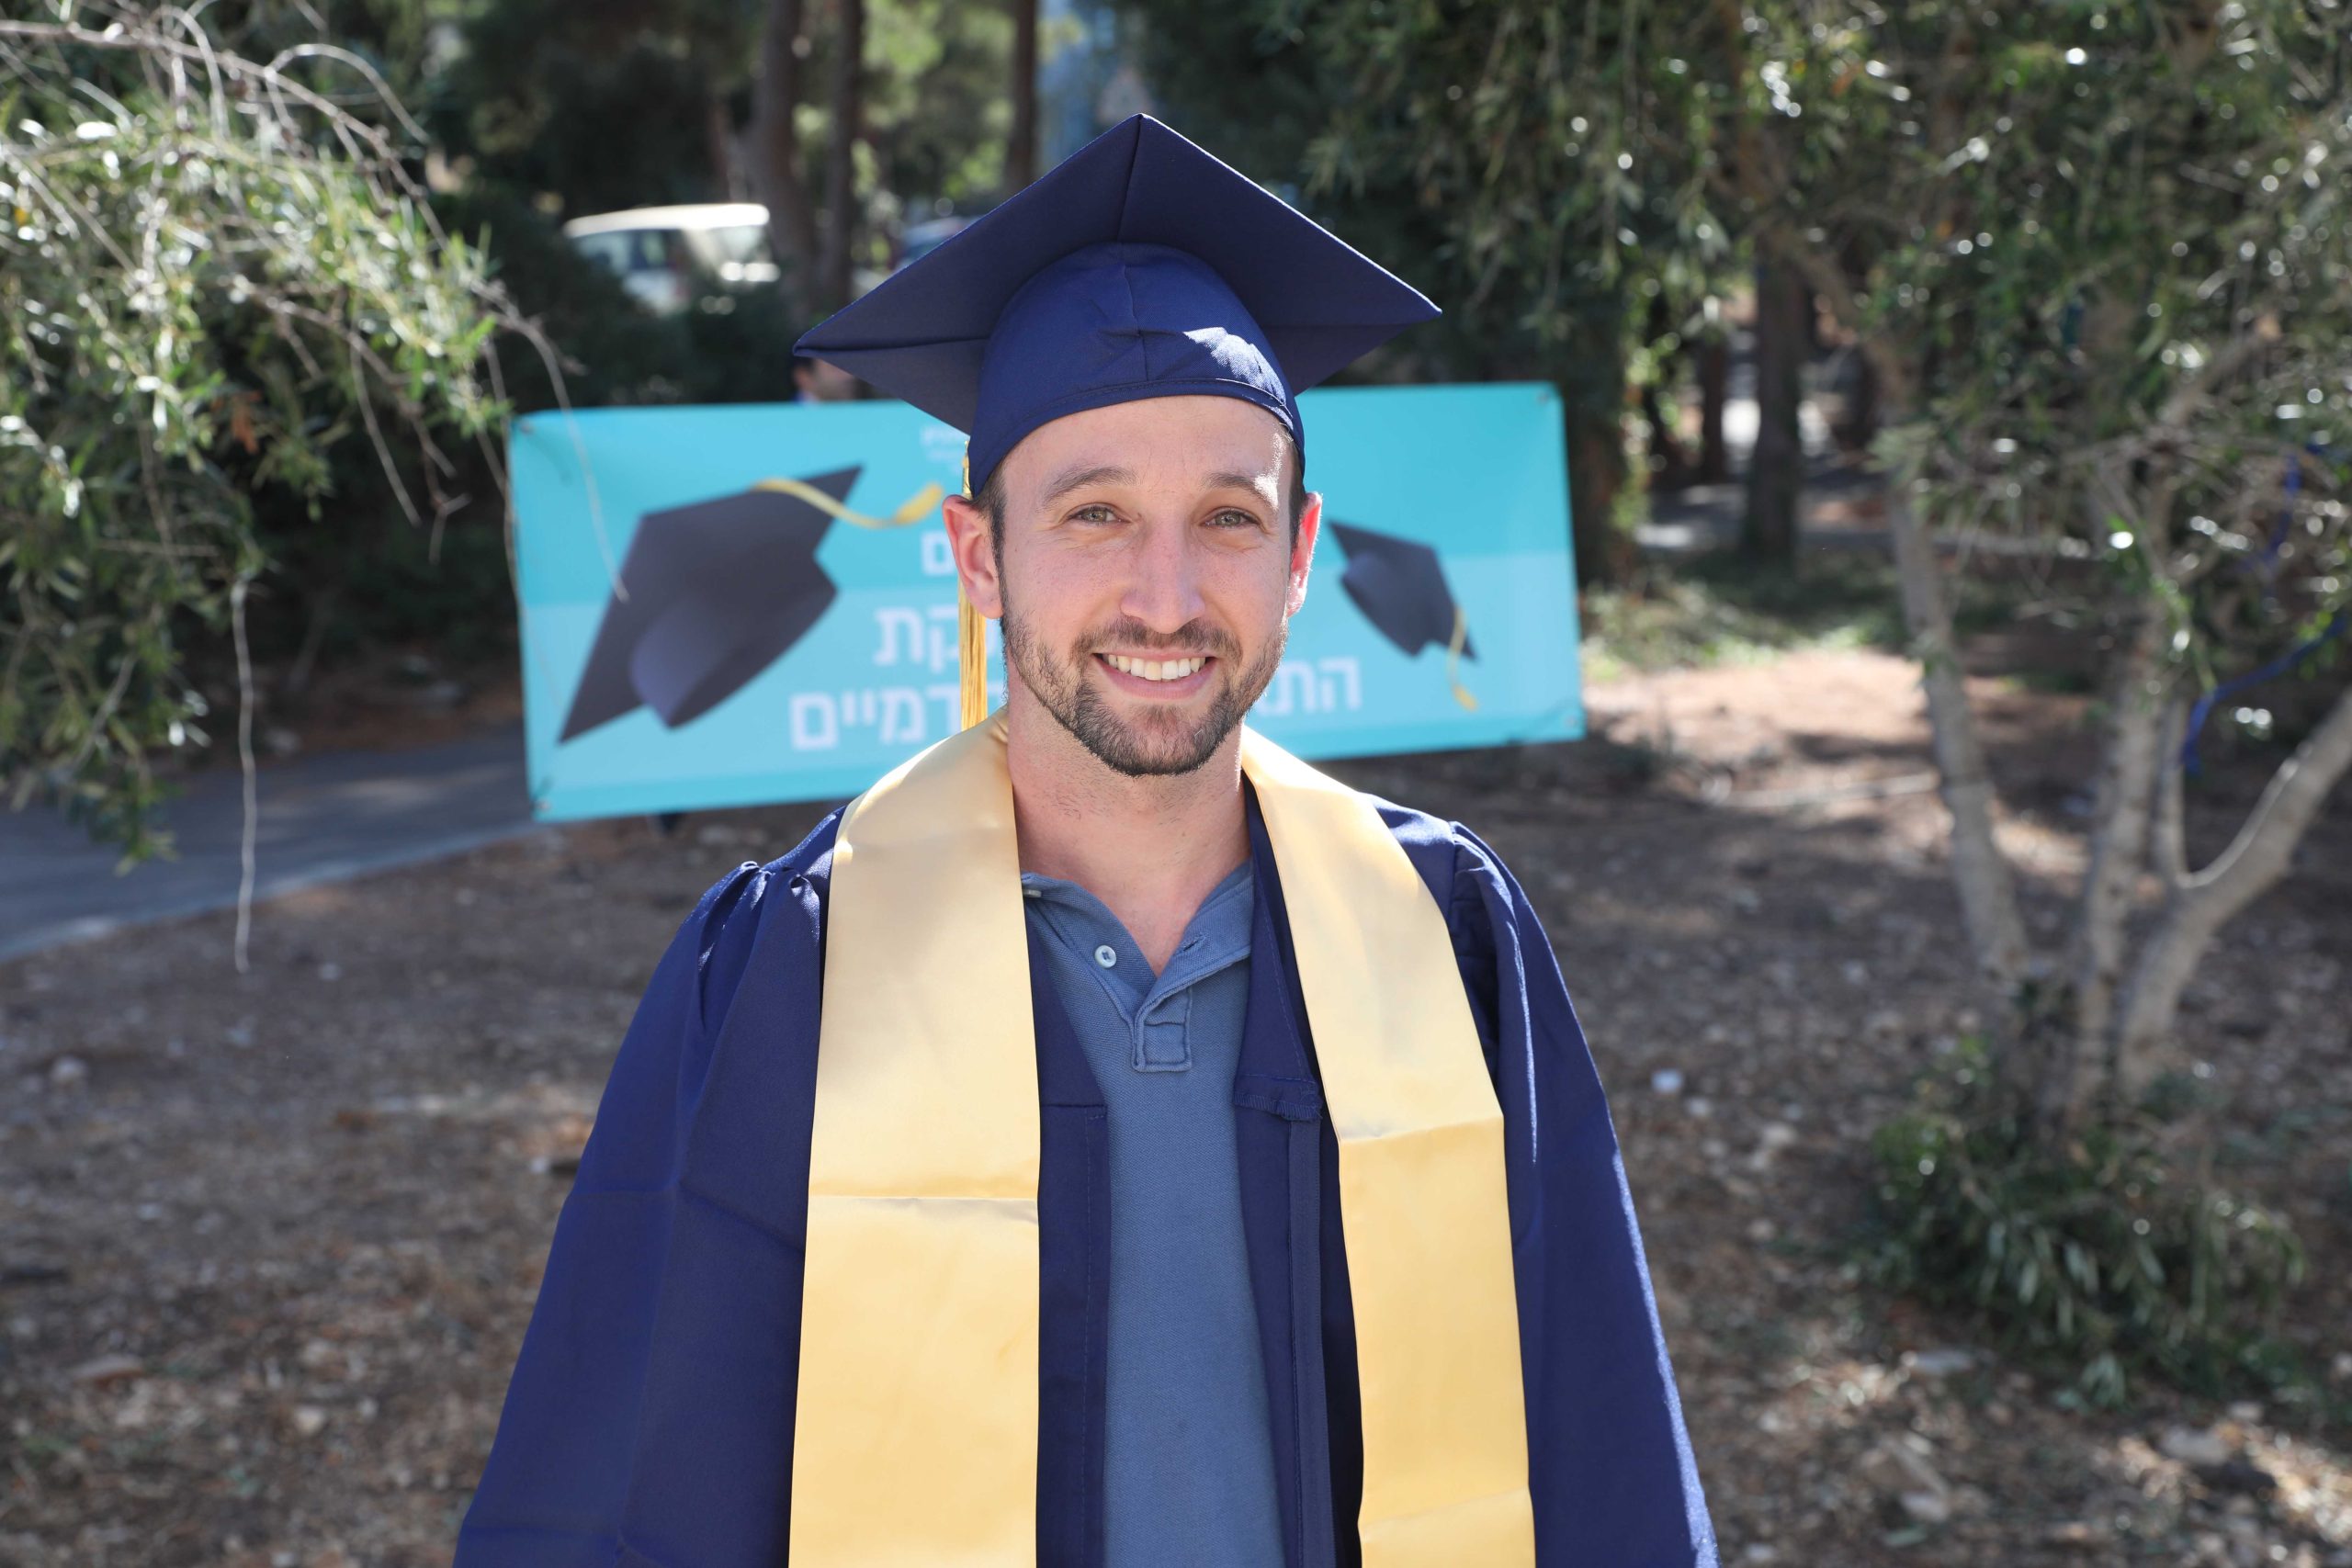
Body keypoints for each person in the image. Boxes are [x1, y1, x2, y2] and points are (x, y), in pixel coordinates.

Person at [456, 115, 1716, 1568]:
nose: (1165, 598)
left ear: (1301, 555)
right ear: (978, 557)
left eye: (1226, 519)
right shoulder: (796, 963)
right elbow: (638, 1490)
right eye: (1096, 514)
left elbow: (1600, 1445)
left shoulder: (1442, 936)